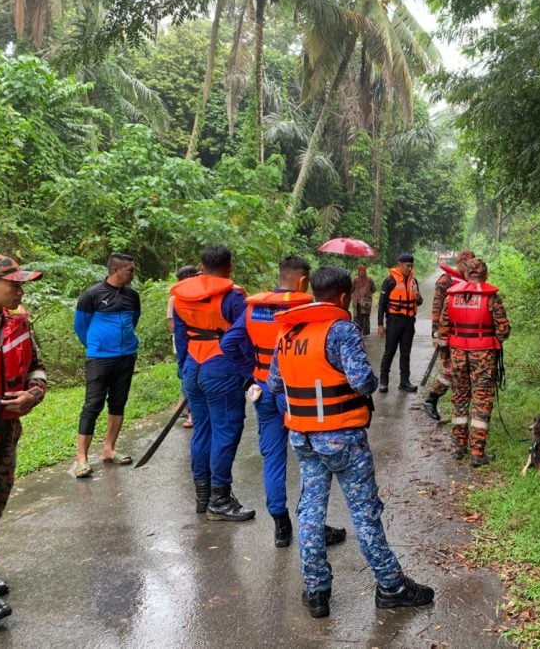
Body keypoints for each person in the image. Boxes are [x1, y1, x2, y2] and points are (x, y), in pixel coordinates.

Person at [268, 266, 434, 618]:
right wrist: (369, 380)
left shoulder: (288, 330)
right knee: (364, 511)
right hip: (342, 437)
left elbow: (274, 384)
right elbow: (362, 382)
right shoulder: (341, 329)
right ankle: (391, 585)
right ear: (344, 297)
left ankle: (316, 591)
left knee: (311, 508)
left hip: (303, 436)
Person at [220, 255, 346, 549]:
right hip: (297, 392)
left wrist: (249, 375)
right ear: (303, 281)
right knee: (311, 458)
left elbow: (228, 343)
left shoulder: (253, 308)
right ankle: (313, 524)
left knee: (273, 457)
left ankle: (281, 525)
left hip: (263, 389)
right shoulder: (304, 308)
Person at [171, 245, 253, 521]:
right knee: (225, 431)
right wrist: (247, 372)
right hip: (222, 368)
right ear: (229, 266)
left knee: (202, 430)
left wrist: (184, 370)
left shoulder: (181, 295)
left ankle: (203, 496)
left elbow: (181, 338)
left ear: (201, 265)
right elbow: (244, 338)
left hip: (193, 365)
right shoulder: (234, 297)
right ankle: (220, 498)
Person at [0, 255, 47, 626]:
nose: (20, 290)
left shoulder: (18, 322)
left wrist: (33, 393)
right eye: (14, 284)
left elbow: (37, 366)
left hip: (7, 431)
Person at [73, 252, 141, 478]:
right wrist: (96, 344)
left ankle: (109, 449)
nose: (133, 273)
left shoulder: (132, 295)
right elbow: (81, 327)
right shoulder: (91, 295)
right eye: (130, 270)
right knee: (93, 404)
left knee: (118, 402)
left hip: (126, 355)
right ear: (116, 271)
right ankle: (81, 458)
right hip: (100, 357)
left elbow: (133, 320)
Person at [437, 259, 511, 467]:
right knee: (481, 399)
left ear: (466, 274)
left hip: (458, 353)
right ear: (485, 275)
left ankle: (458, 447)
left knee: (460, 397)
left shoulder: (451, 296)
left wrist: (445, 357)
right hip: (483, 355)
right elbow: (503, 332)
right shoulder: (491, 298)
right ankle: (477, 452)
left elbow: (443, 331)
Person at [421, 250, 475, 421]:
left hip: (467, 334)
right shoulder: (446, 281)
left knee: (463, 370)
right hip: (449, 333)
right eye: (466, 265)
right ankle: (432, 399)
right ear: (459, 263)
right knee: (451, 369)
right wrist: (436, 333)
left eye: (471, 265)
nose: (469, 268)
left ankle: (459, 406)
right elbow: (437, 307)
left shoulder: (472, 281)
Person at [377, 253, 423, 393]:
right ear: (400, 264)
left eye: (411, 266)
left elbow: (419, 302)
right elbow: (381, 304)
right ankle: (383, 381)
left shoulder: (413, 281)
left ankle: (404, 382)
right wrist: (380, 324)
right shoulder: (390, 281)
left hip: (409, 322)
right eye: (407, 266)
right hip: (394, 321)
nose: (410, 268)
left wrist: (419, 298)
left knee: (405, 353)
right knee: (389, 352)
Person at [168, 265, 198, 429]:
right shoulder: (176, 298)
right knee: (187, 380)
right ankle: (190, 413)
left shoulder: (201, 294)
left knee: (190, 381)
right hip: (184, 346)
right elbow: (173, 326)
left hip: (196, 346)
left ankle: (185, 409)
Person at [351, 265, 376, 336]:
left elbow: (373, 289)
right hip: (357, 303)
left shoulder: (369, 280)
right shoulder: (355, 280)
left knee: (365, 317)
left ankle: (366, 334)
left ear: (365, 271)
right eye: (360, 270)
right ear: (358, 272)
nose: (361, 272)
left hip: (366, 302)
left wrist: (367, 294)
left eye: (363, 270)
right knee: (357, 318)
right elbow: (351, 290)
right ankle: (356, 333)